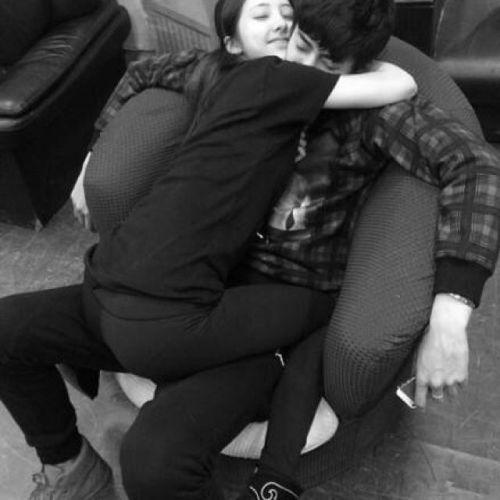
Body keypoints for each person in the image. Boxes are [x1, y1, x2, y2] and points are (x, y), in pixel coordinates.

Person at [71, 0, 500, 498]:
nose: (305, 67)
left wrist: (451, 313)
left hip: (281, 307)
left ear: (358, 70)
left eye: (328, 63)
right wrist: (90, 159)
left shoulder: (374, 113)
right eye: (301, 44)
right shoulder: (247, 75)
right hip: (197, 286)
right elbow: (143, 72)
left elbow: (474, 164)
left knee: (153, 456)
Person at [0, 1, 418, 499]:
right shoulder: (265, 77)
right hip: (151, 299)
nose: (280, 23)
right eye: (260, 15)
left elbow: (144, 69)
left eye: (286, 15)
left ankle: (272, 469)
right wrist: (93, 158)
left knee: (156, 454)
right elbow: (400, 82)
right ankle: (69, 463)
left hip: (188, 302)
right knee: (9, 330)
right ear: (232, 43)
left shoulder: (270, 83)